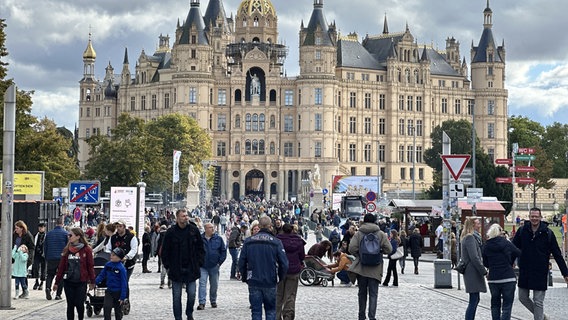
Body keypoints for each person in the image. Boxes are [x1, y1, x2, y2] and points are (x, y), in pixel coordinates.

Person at [512, 207, 568, 320]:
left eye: (536, 216)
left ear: (540, 217)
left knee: (538, 301)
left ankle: (538, 318)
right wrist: (510, 263)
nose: (534, 218)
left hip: (540, 272)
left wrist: (565, 273)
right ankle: (541, 317)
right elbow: (513, 248)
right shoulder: (522, 231)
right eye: (532, 216)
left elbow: (557, 254)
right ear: (529, 217)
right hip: (525, 271)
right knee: (522, 297)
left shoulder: (548, 233)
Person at [238, 216, 288, 320]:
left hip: (254, 279)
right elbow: (284, 264)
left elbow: (241, 262)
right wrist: (280, 277)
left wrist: (245, 277)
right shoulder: (276, 242)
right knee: (270, 311)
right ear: (270, 226)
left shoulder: (249, 241)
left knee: (256, 311)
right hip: (270, 280)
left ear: (259, 226)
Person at [161, 209, 205, 320]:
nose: (186, 217)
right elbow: (165, 251)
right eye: (183, 216)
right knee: (176, 297)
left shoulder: (194, 230)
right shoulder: (171, 232)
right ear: (177, 218)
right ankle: (178, 317)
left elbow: (201, 248)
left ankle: (189, 313)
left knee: (192, 294)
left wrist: (199, 263)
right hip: (176, 269)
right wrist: (168, 266)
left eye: (186, 215)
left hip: (191, 268)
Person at [348, 213, 392, 320]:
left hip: (362, 268)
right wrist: (379, 251)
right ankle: (372, 316)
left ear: (364, 221)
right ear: (374, 221)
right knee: (373, 294)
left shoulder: (359, 234)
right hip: (375, 269)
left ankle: (361, 315)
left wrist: (360, 254)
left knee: (362, 293)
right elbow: (389, 249)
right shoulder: (381, 234)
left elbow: (351, 248)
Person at [53, 228, 96, 320]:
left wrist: (92, 281)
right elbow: (61, 267)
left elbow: (90, 266)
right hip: (69, 281)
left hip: (81, 281)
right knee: (70, 304)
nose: (69, 237)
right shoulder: (67, 249)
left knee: (79, 304)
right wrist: (57, 282)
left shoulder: (86, 250)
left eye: (70, 235)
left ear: (78, 236)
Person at [483, 224, 521, 320]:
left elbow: (485, 263)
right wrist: (510, 261)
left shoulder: (487, 245)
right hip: (508, 277)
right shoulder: (506, 242)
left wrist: (492, 265)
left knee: (495, 304)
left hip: (493, 278)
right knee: (507, 306)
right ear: (500, 232)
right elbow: (517, 252)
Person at [276, 223, 305, 320]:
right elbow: (302, 256)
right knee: (290, 295)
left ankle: (276, 316)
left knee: (278, 295)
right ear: (292, 230)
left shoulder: (277, 240)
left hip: (280, 270)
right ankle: (288, 316)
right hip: (293, 270)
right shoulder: (298, 241)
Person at [461, 217, 487, 320]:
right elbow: (474, 257)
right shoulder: (470, 238)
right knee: (474, 299)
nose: (480, 225)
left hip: (473, 271)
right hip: (472, 272)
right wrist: (483, 271)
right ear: (472, 225)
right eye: (477, 223)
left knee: (475, 298)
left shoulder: (472, 237)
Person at [197, 222, 227, 310]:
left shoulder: (218, 239)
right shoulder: (200, 239)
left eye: (212, 227)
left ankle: (213, 300)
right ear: (206, 229)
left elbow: (223, 251)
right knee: (202, 284)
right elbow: (196, 251)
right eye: (210, 227)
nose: (212, 229)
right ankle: (202, 302)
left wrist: (219, 263)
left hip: (214, 266)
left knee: (214, 285)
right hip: (203, 266)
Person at [95, 247, 128, 320]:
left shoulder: (121, 268)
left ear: (119, 258)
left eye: (113, 255)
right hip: (109, 290)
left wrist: (122, 296)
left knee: (118, 311)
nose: (111, 256)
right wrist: (95, 282)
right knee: (106, 307)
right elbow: (102, 274)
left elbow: (124, 283)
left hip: (118, 292)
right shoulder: (108, 265)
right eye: (111, 254)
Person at [44, 216, 68, 300]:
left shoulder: (49, 233)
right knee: (60, 275)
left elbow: (45, 246)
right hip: (61, 258)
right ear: (62, 223)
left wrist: (46, 256)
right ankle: (58, 294)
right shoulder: (65, 234)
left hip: (51, 257)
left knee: (50, 275)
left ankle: (47, 288)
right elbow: (67, 247)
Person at [32, 222, 47, 291]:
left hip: (44, 254)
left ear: (44, 228)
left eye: (42, 227)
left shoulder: (46, 236)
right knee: (36, 267)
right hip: (37, 254)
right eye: (40, 227)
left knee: (43, 268)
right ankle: (36, 281)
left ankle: (42, 282)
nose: (41, 229)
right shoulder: (36, 235)